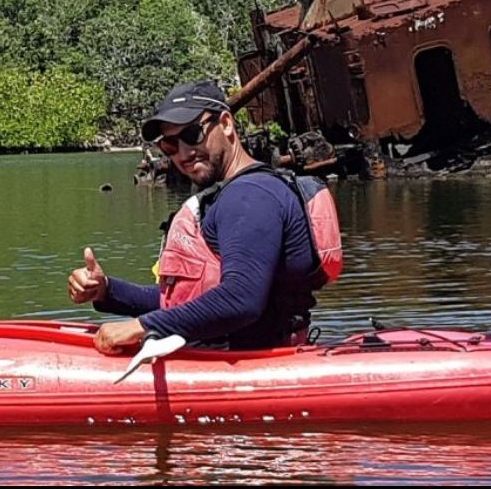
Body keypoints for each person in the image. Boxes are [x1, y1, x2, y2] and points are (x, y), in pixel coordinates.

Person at [68, 79, 337, 355]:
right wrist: (106, 291)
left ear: (226, 124)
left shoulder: (250, 196)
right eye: (169, 145)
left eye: (193, 134)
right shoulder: (240, 193)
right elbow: (187, 303)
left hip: (248, 365)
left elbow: (240, 300)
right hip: (235, 355)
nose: (183, 153)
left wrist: (142, 326)